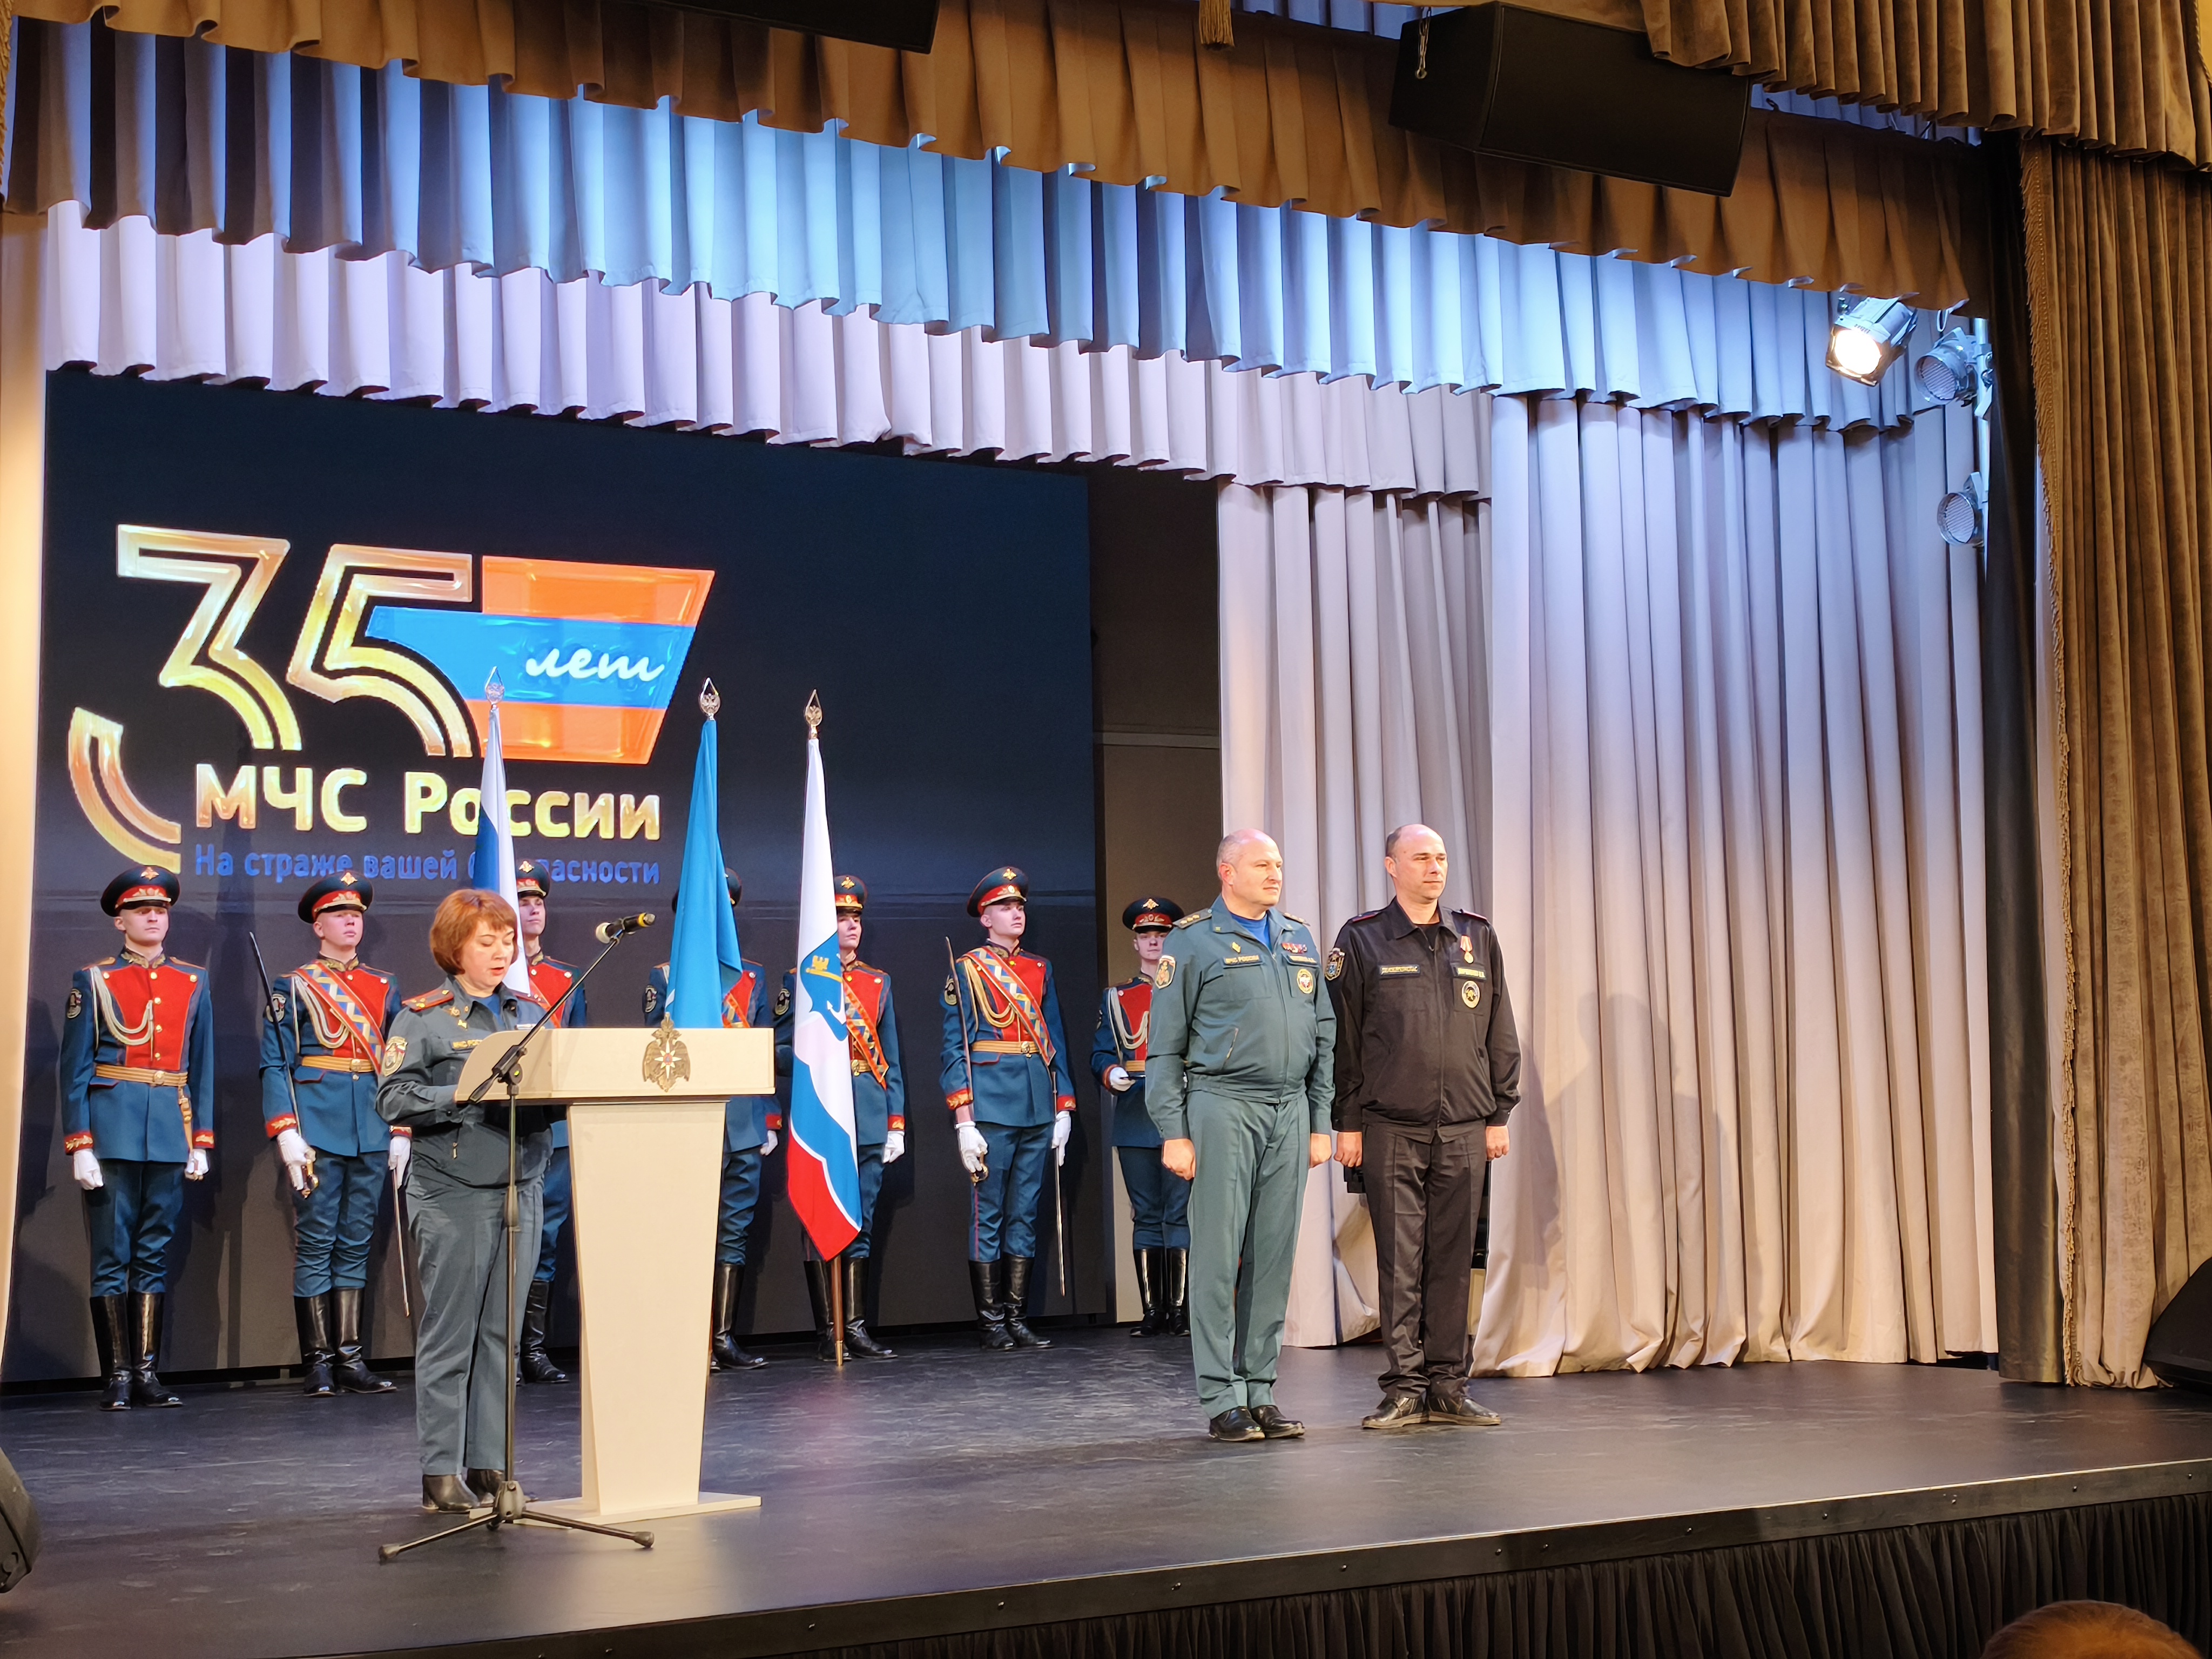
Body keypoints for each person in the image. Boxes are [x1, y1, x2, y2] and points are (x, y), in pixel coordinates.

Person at [1327, 824, 1519, 1431]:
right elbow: (1344, 1040)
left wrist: (1499, 1112)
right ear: (1392, 866)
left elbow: (1500, 1029)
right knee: (1400, 1261)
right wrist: (1347, 1123)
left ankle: (1448, 1386)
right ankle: (1406, 1387)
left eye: (1440, 857)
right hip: (1390, 1126)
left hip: (1465, 1126)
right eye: (1420, 858)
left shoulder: (1476, 936)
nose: (1435, 868)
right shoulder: (1363, 938)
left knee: (1454, 1262)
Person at [1146, 831, 1334, 1442]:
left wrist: (1321, 1120)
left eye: (1278, 864)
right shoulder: (1192, 940)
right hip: (1222, 1105)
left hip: (1289, 1110)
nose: (1275, 873)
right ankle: (1220, 1396)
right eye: (1261, 865)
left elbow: (1324, 1033)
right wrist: (1173, 1132)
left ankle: (1260, 1390)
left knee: (1272, 1257)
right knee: (1217, 1255)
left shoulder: (1297, 937)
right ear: (1227, 872)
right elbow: (1164, 1048)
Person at [375, 889, 547, 1514]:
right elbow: (392, 1099)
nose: (502, 952)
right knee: (452, 1337)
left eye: (508, 940)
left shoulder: (532, 1012)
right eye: (487, 942)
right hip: (453, 1192)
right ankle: (440, 1471)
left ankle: (490, 1463)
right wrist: (459, 1093)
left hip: (521, 1187)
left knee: (503, 1336)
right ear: (455, 949)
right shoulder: (422, 1018)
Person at [60, 866, 215, 1411]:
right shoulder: (94, 980)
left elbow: (203, 1066)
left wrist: (201, 1140)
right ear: (119, 920)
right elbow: (74, 1069)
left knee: (153, 1251)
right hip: (113, 1129)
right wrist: (80, 1142)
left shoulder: (192, 981)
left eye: (160, 910)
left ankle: (146, 1372)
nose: (153, 917)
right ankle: (117, 1376)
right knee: (111, 1253)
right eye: (141, 910)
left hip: (171, 1127)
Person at [259, 870, 404, 1399]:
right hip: (317, 1126)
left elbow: (398, 1064)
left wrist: (401, 1127)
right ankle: (318, 1362)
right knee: (317, 1240)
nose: (350, 922)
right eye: (339, 914)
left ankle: (350, 1358)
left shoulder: (384, 986)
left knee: (357, 1241)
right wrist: (285, 1130)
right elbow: (275, 1064)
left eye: (356, 915)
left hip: (371, 1125)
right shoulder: (294, 986)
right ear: (318, 925)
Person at [644, 868, 780, 1372]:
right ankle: (687, 1339)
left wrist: (769, 1119)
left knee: (734, 1231)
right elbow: (654, 1056)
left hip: (743, 1119)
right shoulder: (666, 976)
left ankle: (722, 1338)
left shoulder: (753, 977)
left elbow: (763, 1050)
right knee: (688, 1232)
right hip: (690, 1120)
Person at [941, 866, 1077, 1351]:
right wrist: (964, 1120)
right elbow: (954, 1048)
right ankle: (991, 1321)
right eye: (1005, 907)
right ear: (986, 918)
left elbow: (1054, 1040)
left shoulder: (1040, 968)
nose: (1016, 913)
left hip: (1038, 1104)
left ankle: (1017, 1317)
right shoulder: (967, 969)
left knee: (1025, 1213)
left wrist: (1063, 1106)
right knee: (989, 1214)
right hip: (992, 1106)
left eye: (1019, 906)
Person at [775, 874, 905, 1361]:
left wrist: (895, 1122)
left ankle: (855, 1327)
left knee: (862, 1220)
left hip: (868, 1112)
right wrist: (812, 1048)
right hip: (823, 1113)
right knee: (820, 1218)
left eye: (856, 918)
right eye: (841, 918)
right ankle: (827, 1329)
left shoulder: (878, 983)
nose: (852, 925)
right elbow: (779, 1052)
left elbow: (891, 1060)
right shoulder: (799, 979)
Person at [1091, 895, 1190, 1338]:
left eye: (1161, 933)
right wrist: (1109, 1071)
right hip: (1135, 1110)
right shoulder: (1117, 997)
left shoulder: (1191, 988)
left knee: (1180, 1213)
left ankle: (1181, 1312)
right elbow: (1100, 1051)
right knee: (1147, 1214)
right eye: (1146, 935)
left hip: (1182, 1110)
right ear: (1135, 943)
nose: (1154, 941)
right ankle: (1154, 1312)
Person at [514, 859, 585, 1386]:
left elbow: (579, 1055)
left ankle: (533, 1349)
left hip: (555, 1128)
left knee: (546, 1235)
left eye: (538, 901)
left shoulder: (566, 979)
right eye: (522, 901)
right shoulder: (491, 978)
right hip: (506, 1121)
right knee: (505, 1237)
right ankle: (502, 1349)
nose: (533, 909)